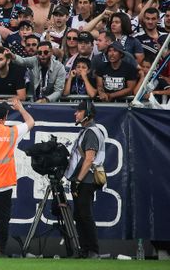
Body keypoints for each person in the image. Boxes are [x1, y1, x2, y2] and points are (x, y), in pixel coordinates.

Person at [0, 99, 34, 257]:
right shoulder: (12, 132)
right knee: (2, 220)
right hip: (4, 184)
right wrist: (20, 108)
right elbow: (30, 122)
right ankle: (0, 250)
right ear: (5, 117)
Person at [65, 100, 107, 259]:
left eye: (78, 111)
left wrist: (78, 180)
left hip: (87, 180)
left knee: (85, 214)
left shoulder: (90, 132)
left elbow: (89, 159)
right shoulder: (87, 131)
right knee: (80, 215)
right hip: (84, 179)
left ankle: (92, 250)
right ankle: (85, 250)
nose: (75, 113)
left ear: (87, 114)